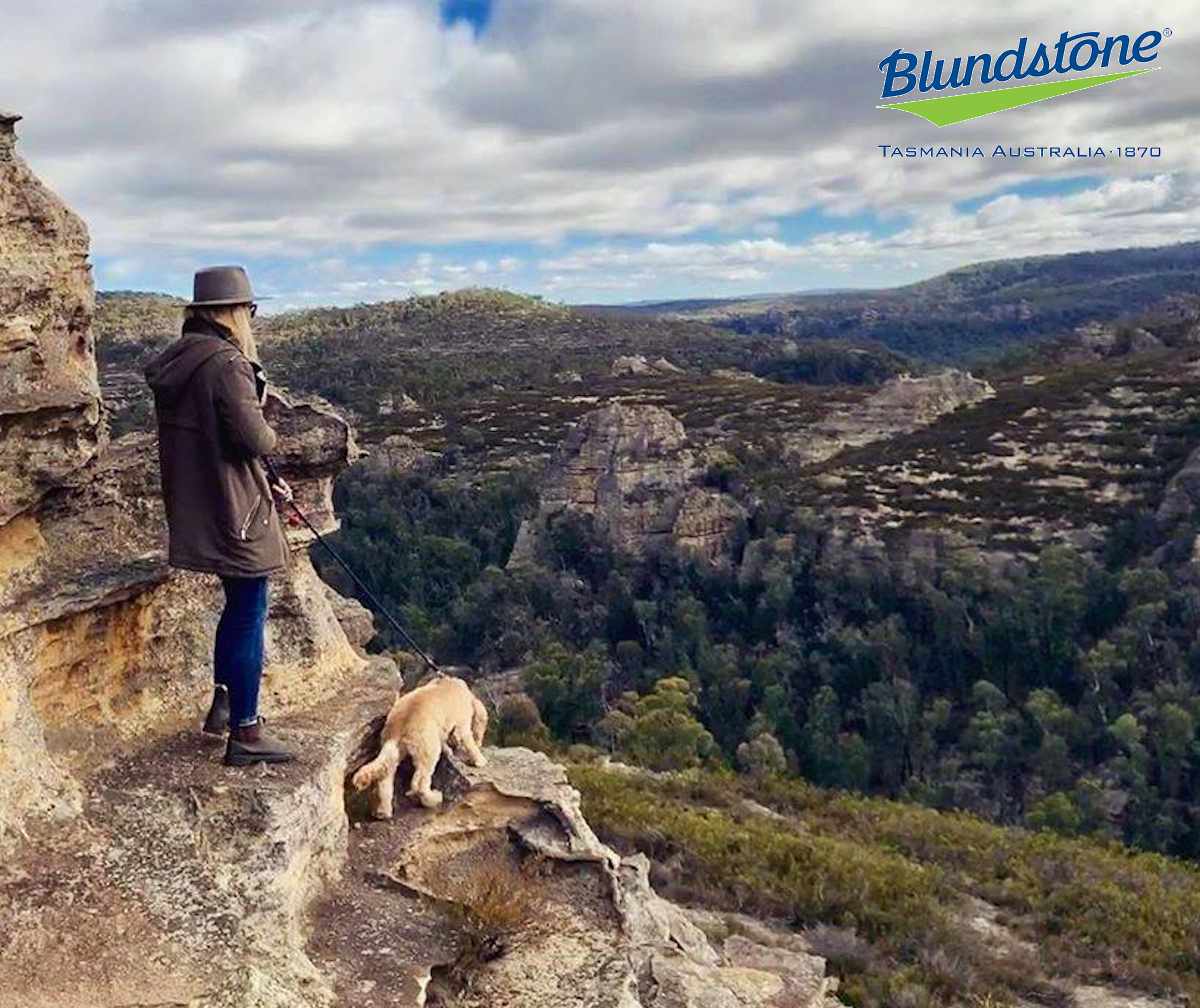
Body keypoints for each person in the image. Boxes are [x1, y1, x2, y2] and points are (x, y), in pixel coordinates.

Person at [144, 265, 296, 766]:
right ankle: (246, 734)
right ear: (234, 312)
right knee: (250, 609)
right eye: (250, 309)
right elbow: (256, 438)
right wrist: (264, 410)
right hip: (237, 508)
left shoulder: (182, 359)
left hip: (203, 500)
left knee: (236, 607)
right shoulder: (227, 363)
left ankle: (223, 708)